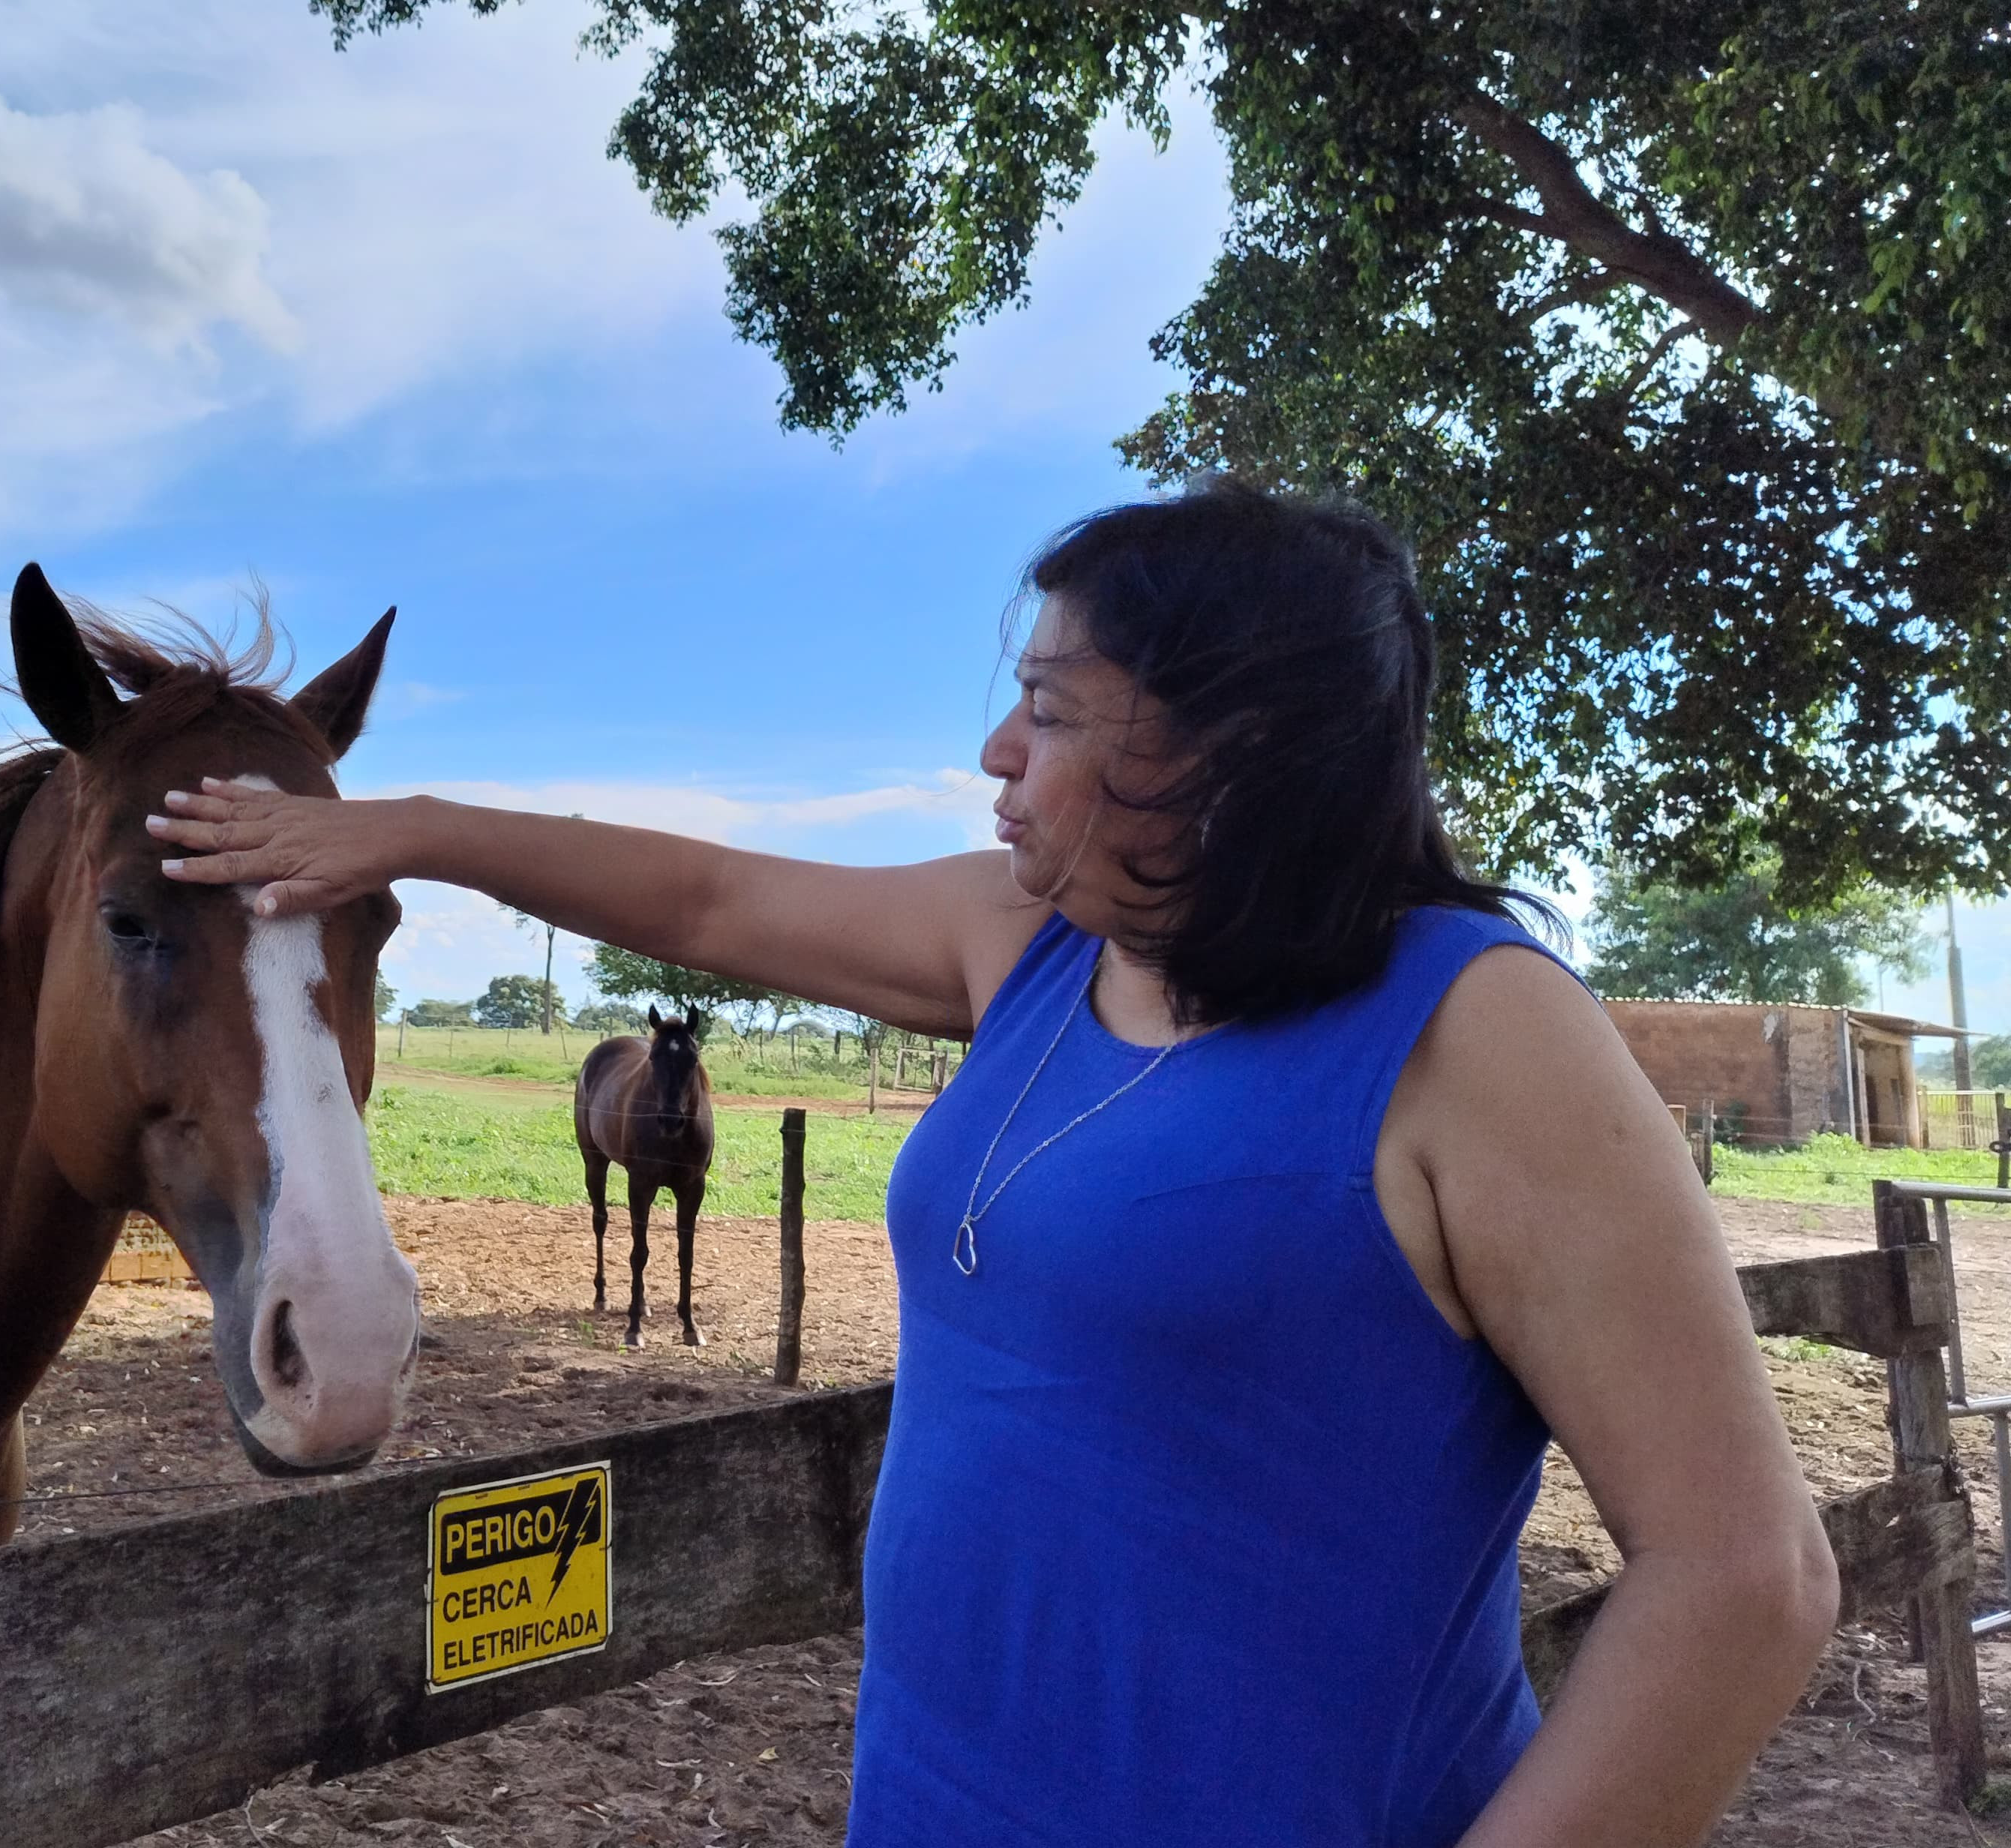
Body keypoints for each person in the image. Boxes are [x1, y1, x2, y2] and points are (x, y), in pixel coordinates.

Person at [150, 480, 1837, 1846]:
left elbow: (1743, 1580)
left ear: (1228, 745)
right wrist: (403, 834)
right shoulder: (1030, 944)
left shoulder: (1479, 1034)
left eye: (1048, 711)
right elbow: (709, 904)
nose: (995, 757)